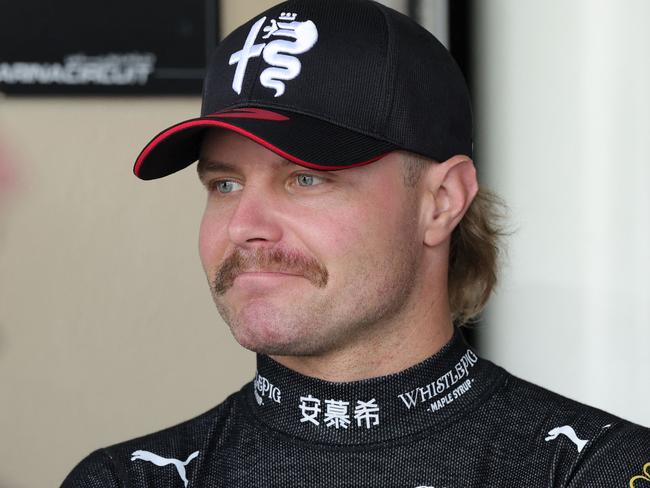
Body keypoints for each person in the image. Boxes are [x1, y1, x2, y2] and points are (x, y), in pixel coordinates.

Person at [62, 0, 650, 486]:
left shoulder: (594, 471)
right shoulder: (127, 480)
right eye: (224, 183)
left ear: (441, 202)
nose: (245, 224)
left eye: (306, 177)